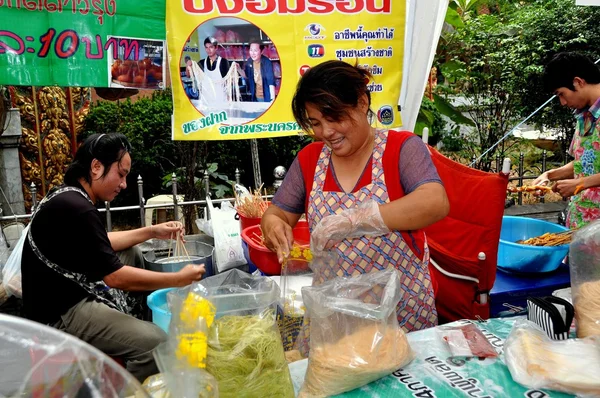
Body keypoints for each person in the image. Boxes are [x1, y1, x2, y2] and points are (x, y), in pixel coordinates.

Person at [261, 60, 449, 349]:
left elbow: (435, 202)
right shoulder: (310, 160)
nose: (326, 132)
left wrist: (360, 218)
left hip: (401, 320)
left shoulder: (401, 149)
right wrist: (273, 225)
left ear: (362, 103)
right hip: (335, 322)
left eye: (334, 117)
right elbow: (277, 213)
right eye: (315, 123)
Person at [21, 133, 205, 382]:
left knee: (132, 253)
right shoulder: (78, 208)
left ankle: (132, 328)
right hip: (61, 313)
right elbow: (117, 278)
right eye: (121, 174)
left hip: (63, 294)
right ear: (96, 167)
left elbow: (100, 243)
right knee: (156, 343)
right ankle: (131, 373)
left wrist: (152, 232)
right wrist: (178, 279)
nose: (124, 184)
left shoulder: (67, 196)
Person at [534, 52, 600, 229]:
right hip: (582, 228)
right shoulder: (584, 117)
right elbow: (585, 162)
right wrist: (550, 175)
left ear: (578, 82)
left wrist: (580, 183)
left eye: (561, 94)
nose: (562, 102)